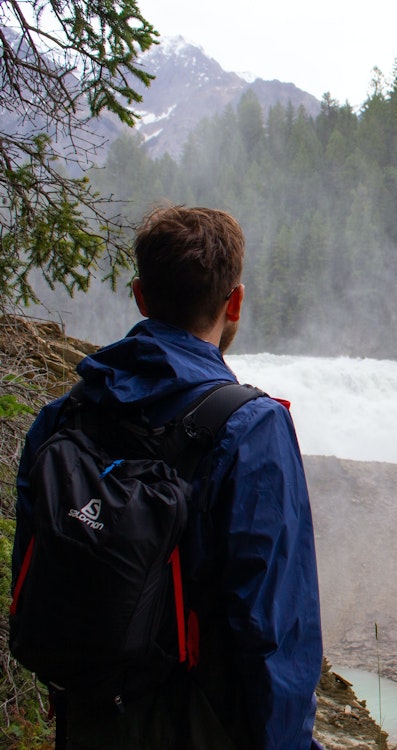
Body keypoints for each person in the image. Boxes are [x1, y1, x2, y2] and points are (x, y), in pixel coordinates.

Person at [12, 206, 323, 749]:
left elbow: (32, 580)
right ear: (235, 304)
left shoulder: (63, 417)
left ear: (139, 296)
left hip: (89, 722)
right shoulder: (251, 428)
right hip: (199, 726)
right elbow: (275, 631)